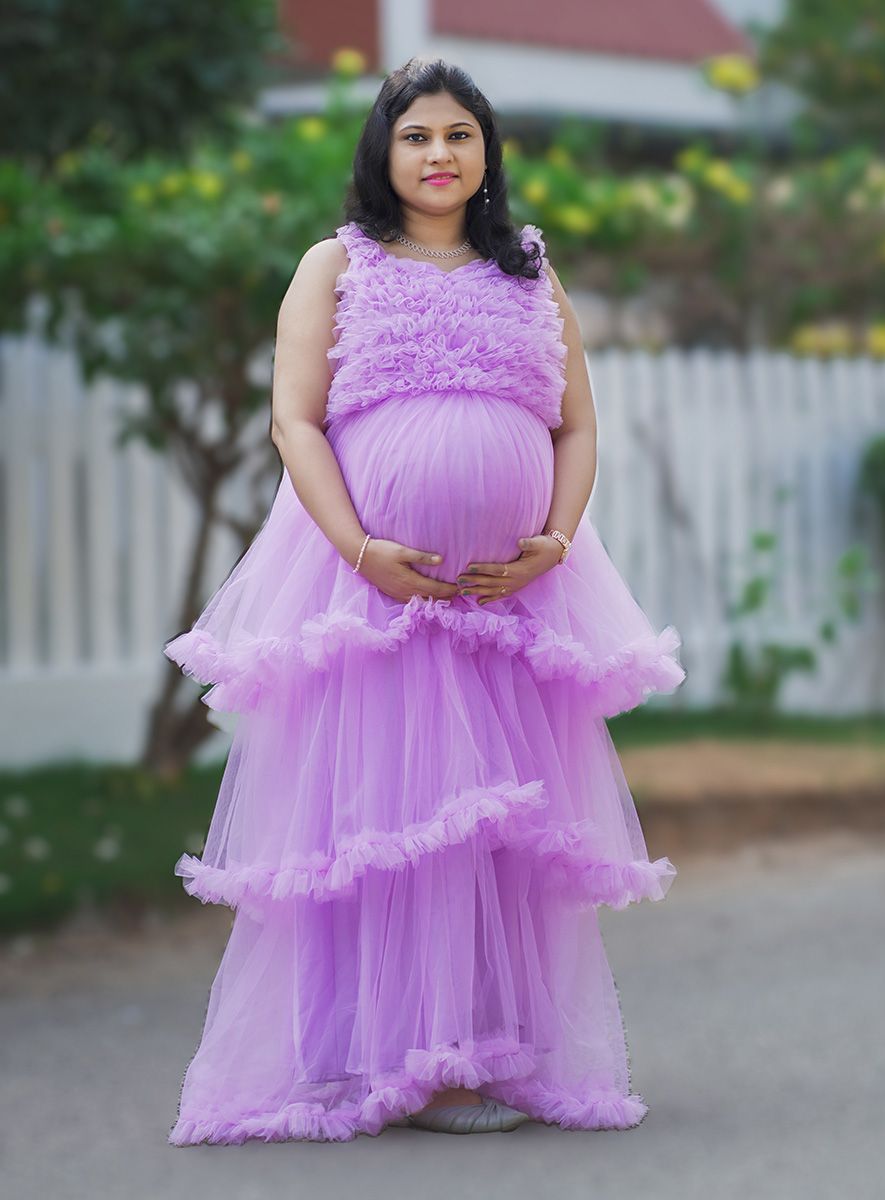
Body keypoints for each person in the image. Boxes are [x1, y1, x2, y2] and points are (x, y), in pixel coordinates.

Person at [162, 56, 686, 1144]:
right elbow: (293, 422)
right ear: (383, 154)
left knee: (495, 824)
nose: (438, 154)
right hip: (373, 593)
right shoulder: (336, 265)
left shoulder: (528, 273)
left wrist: (552, 538)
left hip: (509, 602)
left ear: (486, 153)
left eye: (458, 134)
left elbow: (574, 424)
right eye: (416, 136)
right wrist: (358, 548)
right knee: (378, 816)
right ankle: (374, 1053)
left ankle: (484, 1046)